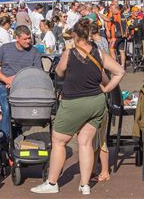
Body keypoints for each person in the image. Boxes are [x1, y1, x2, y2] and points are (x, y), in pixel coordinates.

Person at [31, 19, 125, 195]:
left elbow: (59, 71)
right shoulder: (99, 52)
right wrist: (106, 88)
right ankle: (84, 185)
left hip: (74, 101)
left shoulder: (70, 52)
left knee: (59, 141)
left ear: (75, 35)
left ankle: (52, 183)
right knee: (85, 142)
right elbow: (120, 71)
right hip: (96, 101)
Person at [0, 25, 42, 139]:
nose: (28, 41)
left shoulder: (34, 52)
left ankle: (13, 133)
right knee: (6, 107)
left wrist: (18, 80)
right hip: (5, 85)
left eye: (29, 38)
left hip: (25, 86)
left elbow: (37, 73)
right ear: (17, 38)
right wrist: (6, 79)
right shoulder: (5, 48)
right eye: (25, 39)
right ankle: (5, 139)